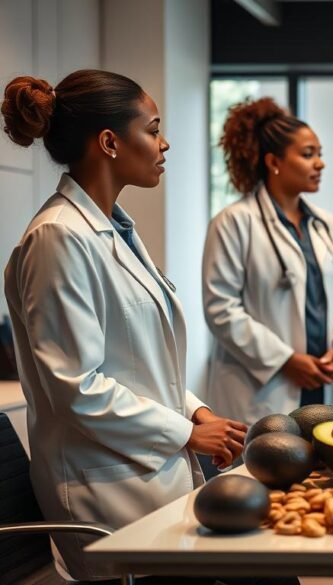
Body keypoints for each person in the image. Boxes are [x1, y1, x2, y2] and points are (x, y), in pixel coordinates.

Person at [1, 70, 249, 582]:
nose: (164, 143)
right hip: (106, 495)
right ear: (110, 142)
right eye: (153, 129)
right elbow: (76, 387)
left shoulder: (110, 230)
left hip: (143, 475)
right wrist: (186, 433)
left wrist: (196, 410)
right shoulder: (57, 239)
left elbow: (138, 361)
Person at [202, 98, 333, 425]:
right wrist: (285, 360)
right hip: (263, 389)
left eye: (320, 154)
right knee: (261, 470)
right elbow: (221, 308)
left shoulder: (325, 225)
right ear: (273, 161)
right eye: (308, 155)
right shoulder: (234, 222)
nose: (319, 164)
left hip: (322, 382)